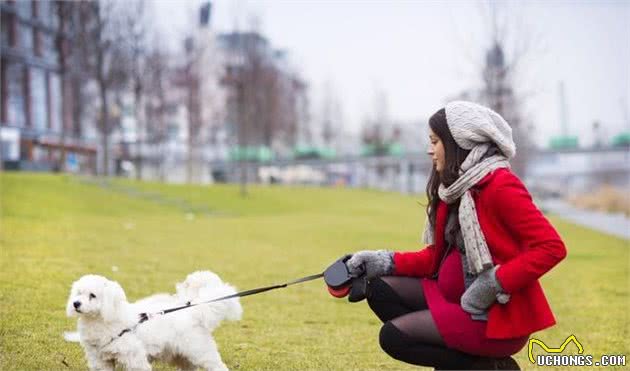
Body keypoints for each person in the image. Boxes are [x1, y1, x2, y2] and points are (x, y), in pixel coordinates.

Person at [345, 101, 567, 370]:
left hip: (489, 314)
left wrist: (493, 284)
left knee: (394, 337)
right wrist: (380, 261)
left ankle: (489, 366)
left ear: (458, 142)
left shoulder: (500, 185)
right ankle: (472, 363)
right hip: (449, 297)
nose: (430, 150)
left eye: (435, 141)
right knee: (377, 288)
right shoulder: (455, 189)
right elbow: (435, 259)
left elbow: (551, 247)